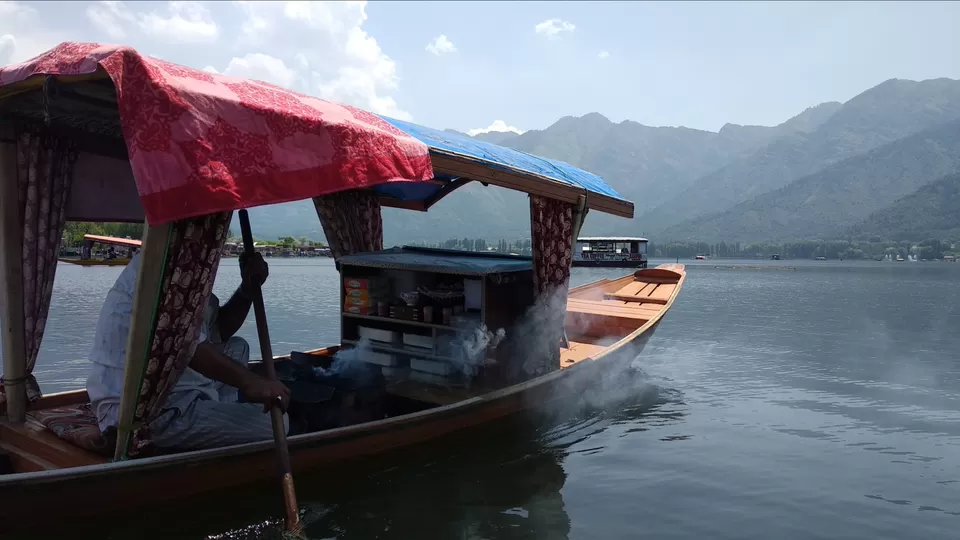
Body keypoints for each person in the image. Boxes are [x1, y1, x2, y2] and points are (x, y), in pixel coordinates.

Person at [86, 251, 292, 451]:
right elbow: (188, 346)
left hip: (177, 388)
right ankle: (213, 432)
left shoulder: (188, 266)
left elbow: (217, 331)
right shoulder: (165, 267)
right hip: (149, 410)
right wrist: (251, 382)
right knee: (278, 423)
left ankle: (217, 426)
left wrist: (247, 290)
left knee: (237, 347)